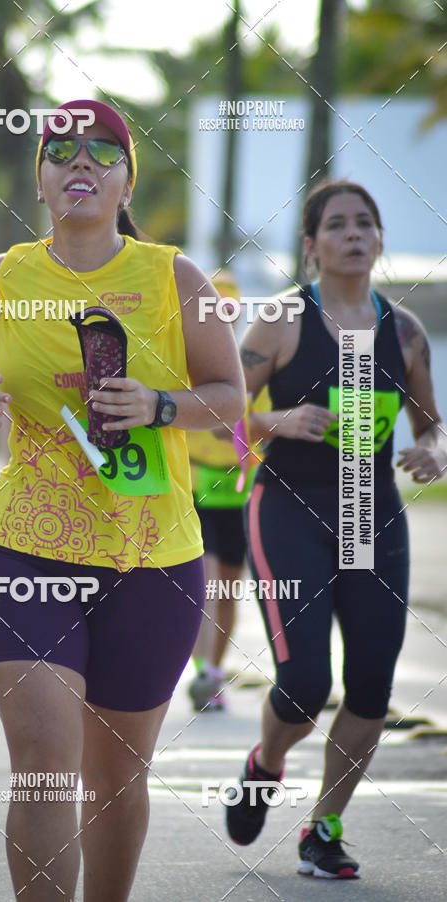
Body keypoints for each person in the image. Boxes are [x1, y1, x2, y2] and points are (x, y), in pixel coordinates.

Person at [0, 98, 245, 902]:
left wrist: (159, 404)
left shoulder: (174, 277)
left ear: (126, 184)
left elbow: (230, 397)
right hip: (25, 550)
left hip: (152, 558)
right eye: (60, 149)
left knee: (116, 775)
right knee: (46, 767)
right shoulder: (0, 278)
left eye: (103, 151)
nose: (80, 160)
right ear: (40, 182)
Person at [225, 179, 447, 879]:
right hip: (289, 505)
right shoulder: (282, 320)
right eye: (338, 225)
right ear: (312, 246)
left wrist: (434, 452)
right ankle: (266, 762)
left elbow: (431, 425)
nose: (354, 234)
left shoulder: (403, 333)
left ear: (379, 240)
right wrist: (275, 420)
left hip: (369, 510)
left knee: (373, 684)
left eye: (365, 224)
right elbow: (219, 411)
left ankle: (323, 828)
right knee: (303, 683)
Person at [186, 271, 251, 712]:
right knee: (207, 585)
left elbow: (265, 425)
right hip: (198, 488)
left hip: (241, 495)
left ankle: (213, 671)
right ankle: (202, 673)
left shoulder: (252, 362)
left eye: (231, 311)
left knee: (229, 590)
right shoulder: (189, 363)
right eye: (216, 311)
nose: (225, 318)